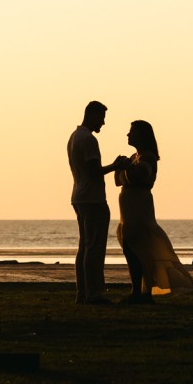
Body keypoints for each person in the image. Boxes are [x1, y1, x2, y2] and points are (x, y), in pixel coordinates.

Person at [114, 119, 193, 303]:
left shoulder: (148, 157)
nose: (128, 135)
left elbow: (139, 176)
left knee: (141, 250)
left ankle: (143, 293)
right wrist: (122, 167)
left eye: (132, 132)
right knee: (131, 250)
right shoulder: (134, 157)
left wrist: (125, 167)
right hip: (127, 212)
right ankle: (137, 291)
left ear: (141, 136)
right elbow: (118, 180)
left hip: (139, 209)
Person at [68, 100, 127, 304]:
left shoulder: (74, 137)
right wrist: (115, 165)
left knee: (85, 246)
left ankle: (82, 292)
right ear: (91, 115)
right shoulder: (88, 139)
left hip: (79, 197)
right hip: (92, 198)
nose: (102, 123)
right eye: (101, 118)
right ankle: (93, 293)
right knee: (94, 247)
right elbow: (94, 171)